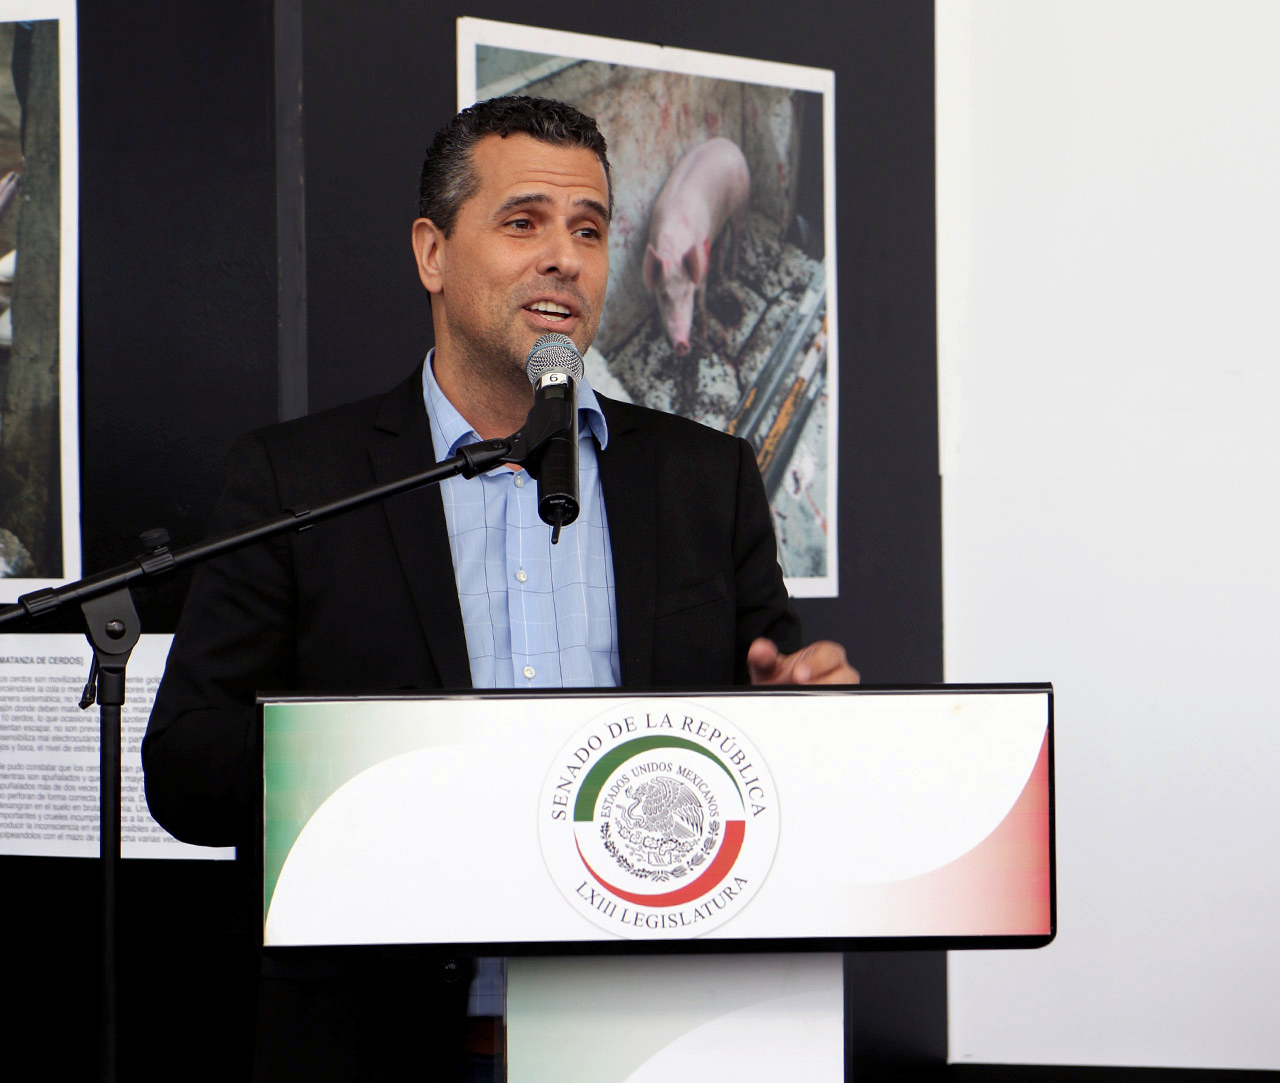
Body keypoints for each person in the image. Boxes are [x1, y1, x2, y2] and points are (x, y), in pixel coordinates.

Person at [143, 95, 857, 1082]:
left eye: (589, 230)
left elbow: (770, 702)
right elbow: (185, 767)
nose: (562, 256)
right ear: (432, 253)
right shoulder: (298, 482)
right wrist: (406, 764)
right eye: (522, 222)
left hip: (656, 1028)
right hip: (387, 1036)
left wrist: (805, 716)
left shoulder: (703, 478)